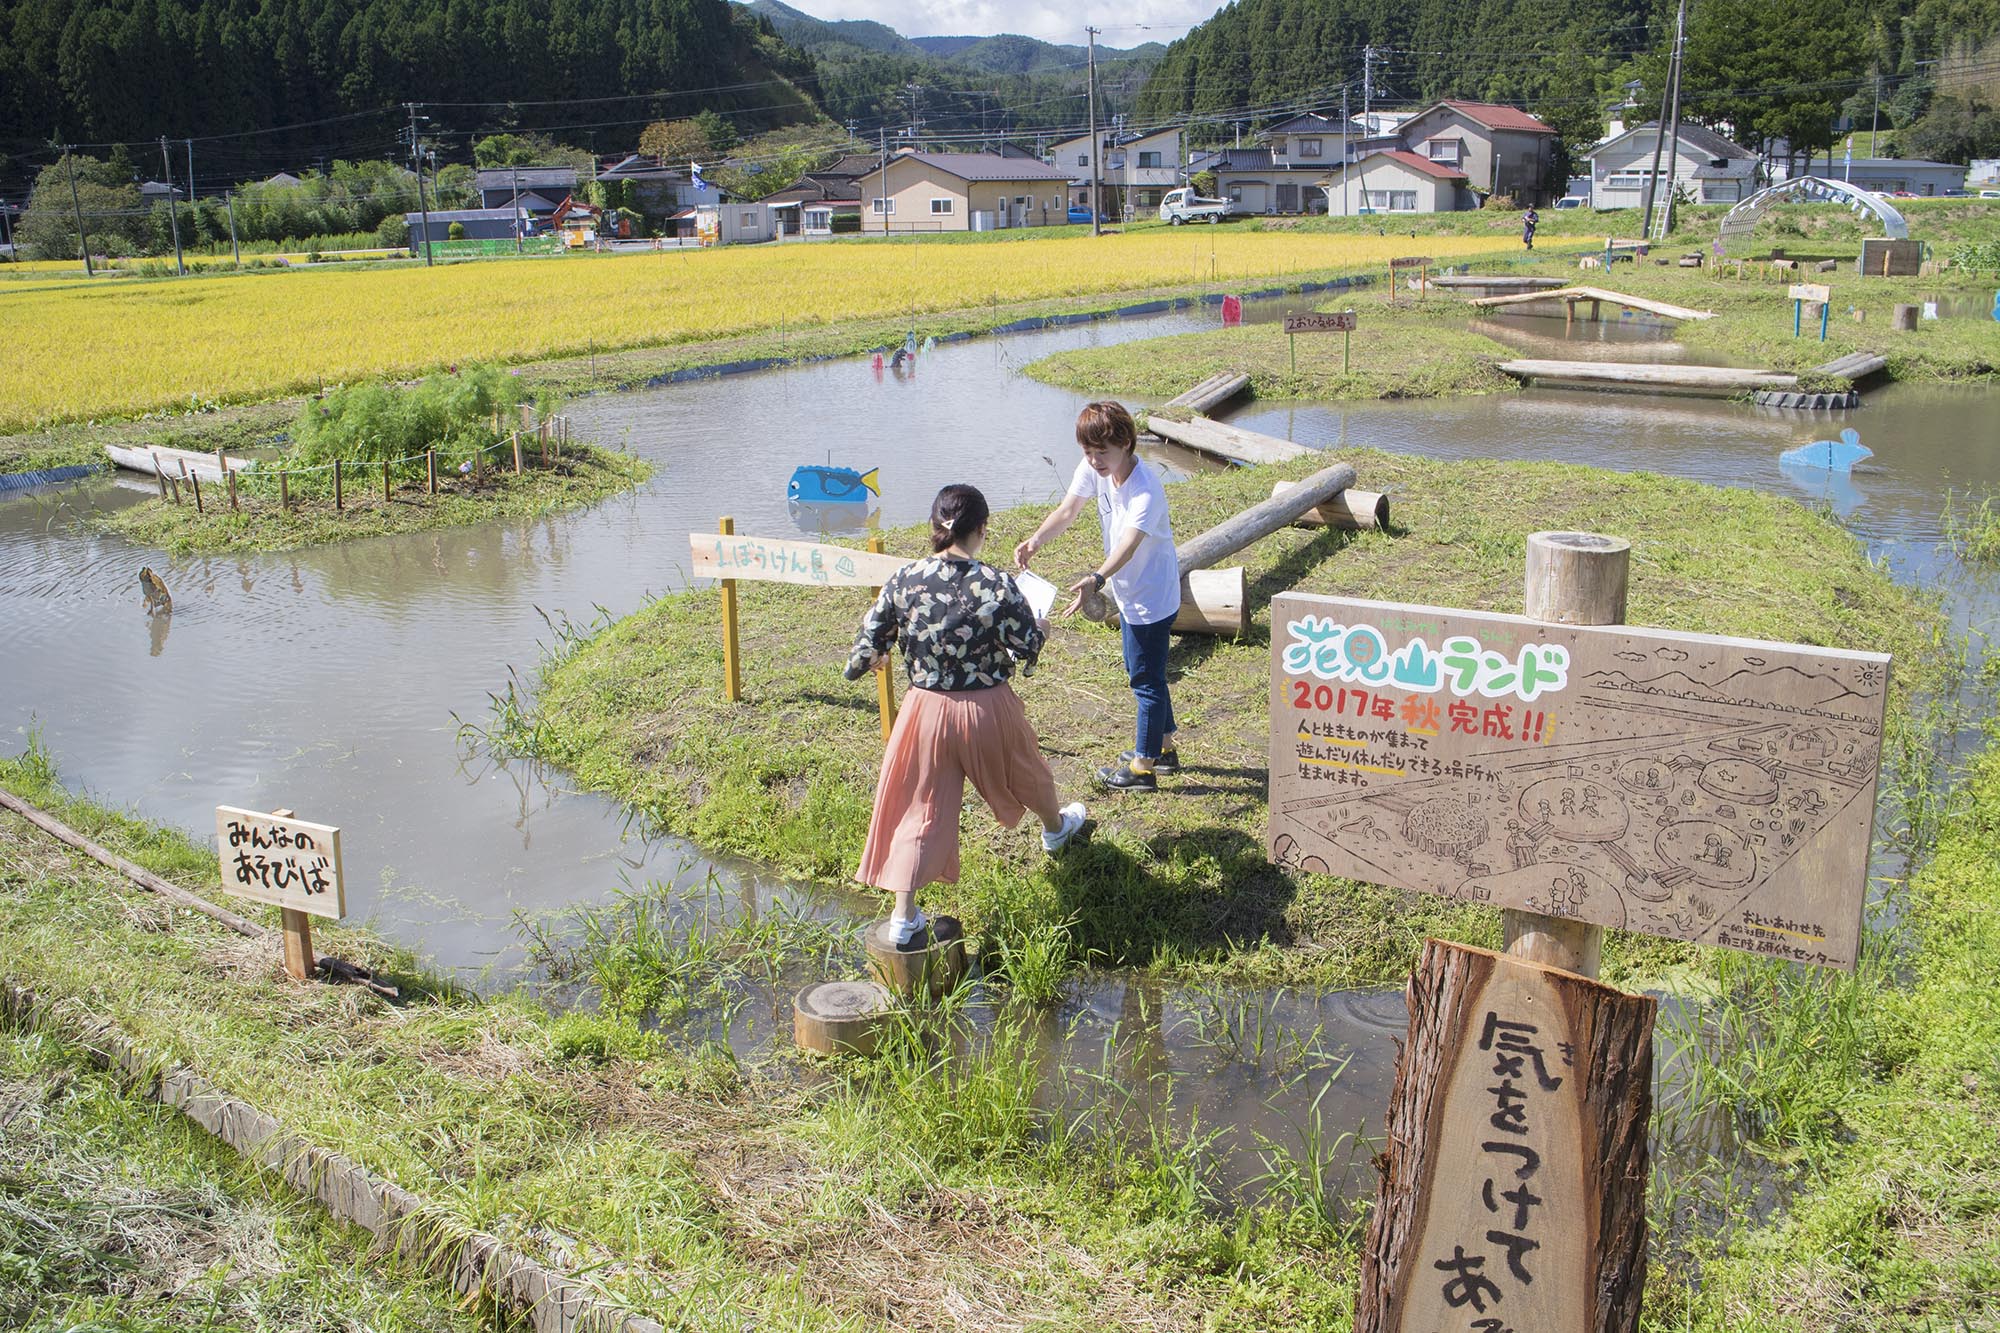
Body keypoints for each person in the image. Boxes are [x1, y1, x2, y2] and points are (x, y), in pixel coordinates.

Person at [845, 484, 1087, 947]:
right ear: (982, 529)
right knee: (1027, 772)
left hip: (924, 711)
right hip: (987, 705)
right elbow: (1027, 645)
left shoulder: (904, 579)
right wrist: (1042, 628)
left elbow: (865, 650)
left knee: (919, 807)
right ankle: (1056, 831)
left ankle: (903, 918)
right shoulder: (996, 583)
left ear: (934, 526)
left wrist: (870, 662)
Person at [1015, 401, 1181, 791]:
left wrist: (1096, 577)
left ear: (1126, 444)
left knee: (1145, 680)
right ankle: (1164, 749)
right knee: (1148, 672)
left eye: (1102, 452)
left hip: (1152, 596)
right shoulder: (1096, 469)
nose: (1093, 460)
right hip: (1130, 592)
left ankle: (1143, 768)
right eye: (1087, 451)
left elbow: (1128, 545)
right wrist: (1035, 541)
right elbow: (1068, 510)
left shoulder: (1146, 490)